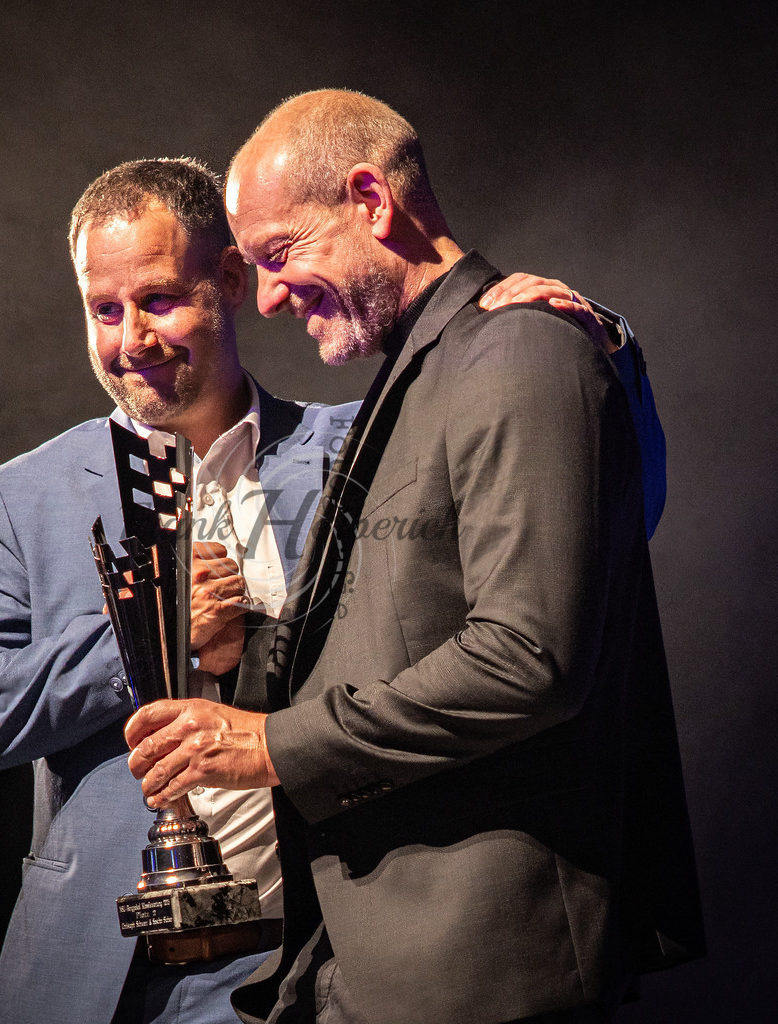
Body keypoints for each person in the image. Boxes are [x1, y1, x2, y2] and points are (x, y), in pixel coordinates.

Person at [0, 157, 662, 1024]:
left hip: (315, 966)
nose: (130, 341)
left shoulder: (359, 447)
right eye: (102, 311)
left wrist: (595, 346)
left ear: (231, 279)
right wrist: (147, 638)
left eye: (158, 301)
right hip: (101, 976)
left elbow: (593, 532)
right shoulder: (25, 493)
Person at [123, 92, 703, 1024]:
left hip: (486, 968)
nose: (267, 295)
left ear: (370, 198)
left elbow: (531, 657)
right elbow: (392, 629)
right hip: (375, 958)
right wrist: (249, 649)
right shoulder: (418, 370)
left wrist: (272, 744)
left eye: (280, 255)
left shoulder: (519, 349)